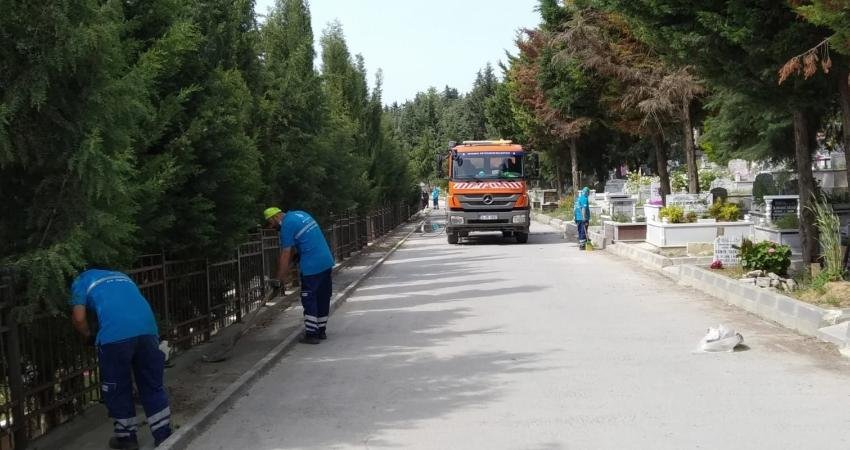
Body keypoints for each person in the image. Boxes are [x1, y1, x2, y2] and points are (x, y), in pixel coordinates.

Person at [69, 268, 171, 450]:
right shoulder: (122, 277)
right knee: (152, 385)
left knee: (117, 388)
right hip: (148, 330)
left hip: (115, 337)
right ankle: (164, 436)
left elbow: (78, 319)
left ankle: (126, 439)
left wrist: (87, 336)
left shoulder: (81, 281)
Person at [264, 207, 335, 345]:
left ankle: (312, 334)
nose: (273, 227)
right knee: (322, 296)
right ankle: (321, 330)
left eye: (271, 224)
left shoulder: (286, 226)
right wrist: (299, 254)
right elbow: (307, 238)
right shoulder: (301, 214)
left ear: (275, 217)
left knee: (309, 298)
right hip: (326, 261)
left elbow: (286, 254)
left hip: (312, 266)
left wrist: (279, 279)